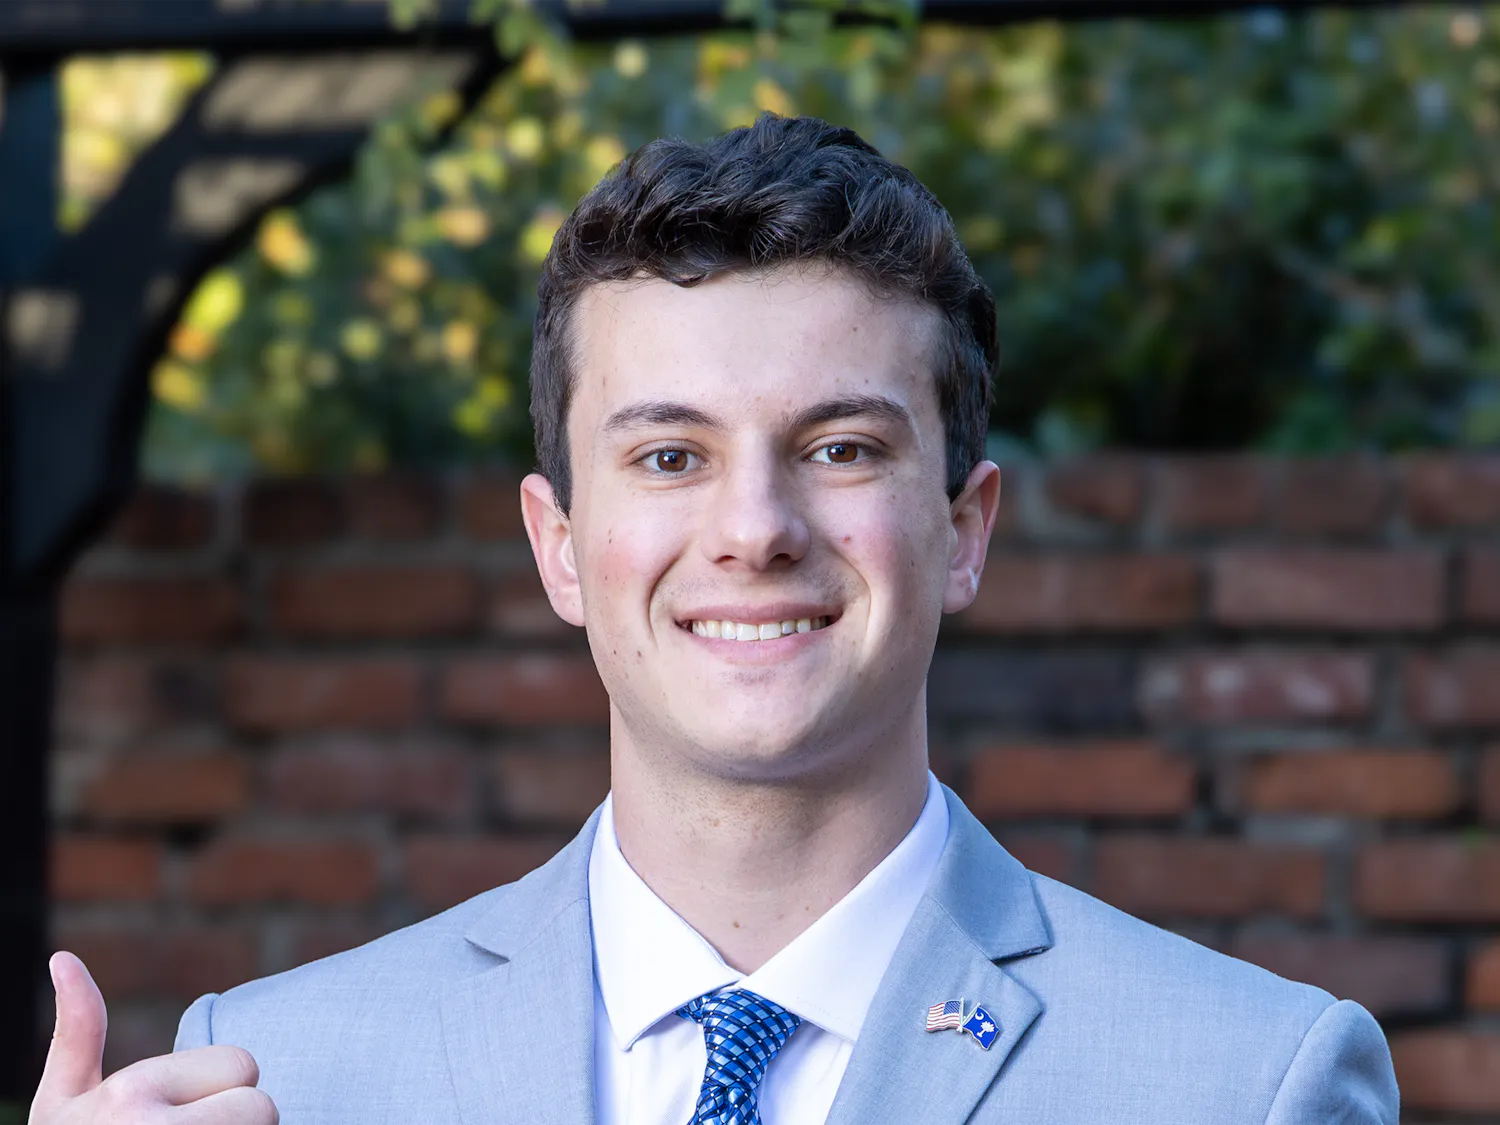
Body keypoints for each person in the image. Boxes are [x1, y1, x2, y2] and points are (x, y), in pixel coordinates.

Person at [30, 113, 1399, 1125]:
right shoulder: (270, 1077)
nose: (754, 528)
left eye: (842, 447)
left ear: (963, 529)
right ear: (559, 547)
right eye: (670, 456)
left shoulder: (1251, 1081)